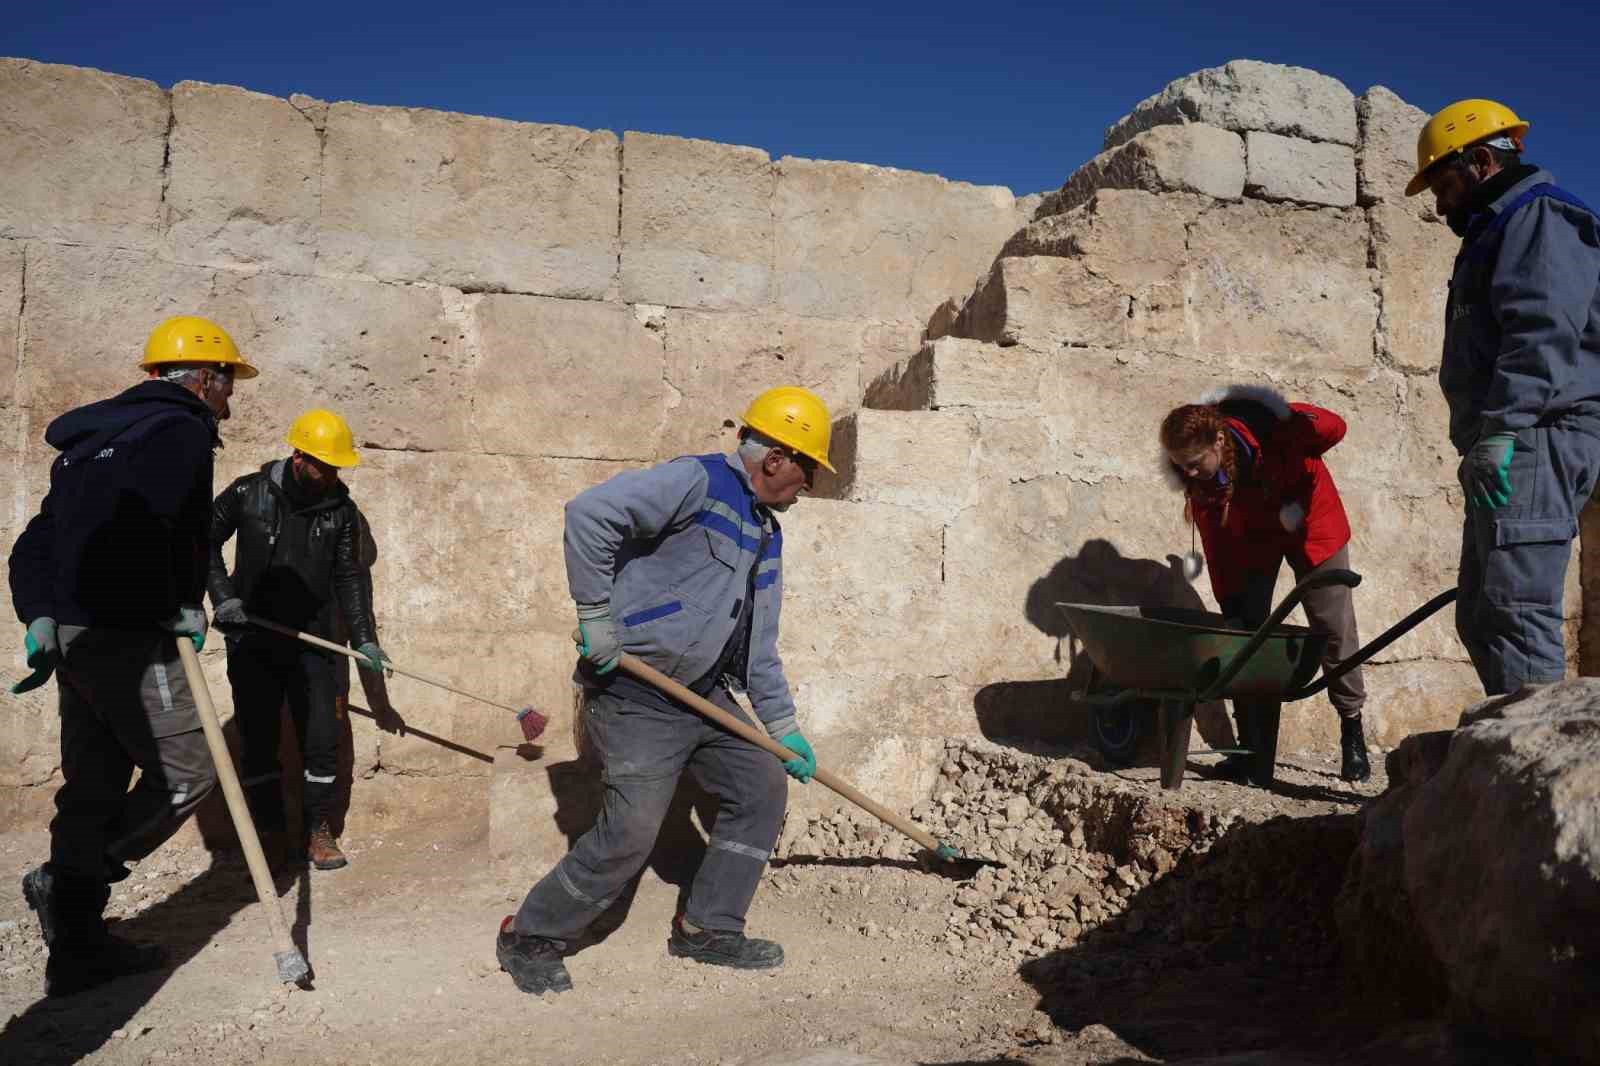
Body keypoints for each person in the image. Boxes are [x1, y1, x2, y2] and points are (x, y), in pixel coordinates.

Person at [496, 386, 832, 995]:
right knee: (632, 829)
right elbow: (589, 514)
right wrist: (596, 616)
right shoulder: (697, 482)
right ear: (777, 458)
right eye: (808, 469)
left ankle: (707, 928)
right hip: (635, 693)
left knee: (761, 782)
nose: (808, 485)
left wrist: (782, 729)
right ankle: (530, 933)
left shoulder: (767, 534)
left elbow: (758, 645)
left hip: (703, 697)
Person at [8, 315, 255, 996]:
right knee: (189, 774)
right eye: (228, 384)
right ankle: (68, 881)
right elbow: (167, 524)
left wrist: (39, 615)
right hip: (133, 636)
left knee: (93, 784)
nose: (230, 400)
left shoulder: (86, 444)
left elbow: (36, 540)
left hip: (78, 639)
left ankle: (79, 949)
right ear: (203, 379)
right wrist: (180, 599)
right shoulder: (182, 429)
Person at [1406, 98, 1600, 696]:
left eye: (1442, 183)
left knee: (1516, 612)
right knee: (1483, 615)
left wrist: (1501, 430)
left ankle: (1542, 779)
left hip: (1539, 432)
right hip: (1517, 438)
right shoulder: (1500, 227)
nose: (1438, 205)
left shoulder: (1536, 216)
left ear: (1482, 160)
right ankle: (1508, 765)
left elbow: (1540, 333)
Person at [207, 409, 388, 871]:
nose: (329, 475)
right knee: (259, 736)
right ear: (298, 455)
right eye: (322, 465)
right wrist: (223, 598)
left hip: (316, 641)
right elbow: (200, 542)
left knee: (322, 739)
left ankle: (318, 830)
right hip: (253, 637)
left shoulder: (342, 513)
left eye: (336, 468)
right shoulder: (249, 492)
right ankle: (268, 834)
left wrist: (365, 639)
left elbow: (351, 578)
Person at [1159, 386, 1370, 783]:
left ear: (1218, 440)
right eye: (1179, 465)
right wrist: (1232, 604)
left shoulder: (1272, 432)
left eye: (1192, 462)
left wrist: (1285, 416)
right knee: (1245, 636)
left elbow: (1334, 428)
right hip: (1255, 539)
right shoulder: (1204, 486)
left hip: (1311, 526)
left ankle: (1352, 729)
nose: (1186, 473)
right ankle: (1251, 751)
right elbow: (1218, 545)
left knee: (1333, 627)